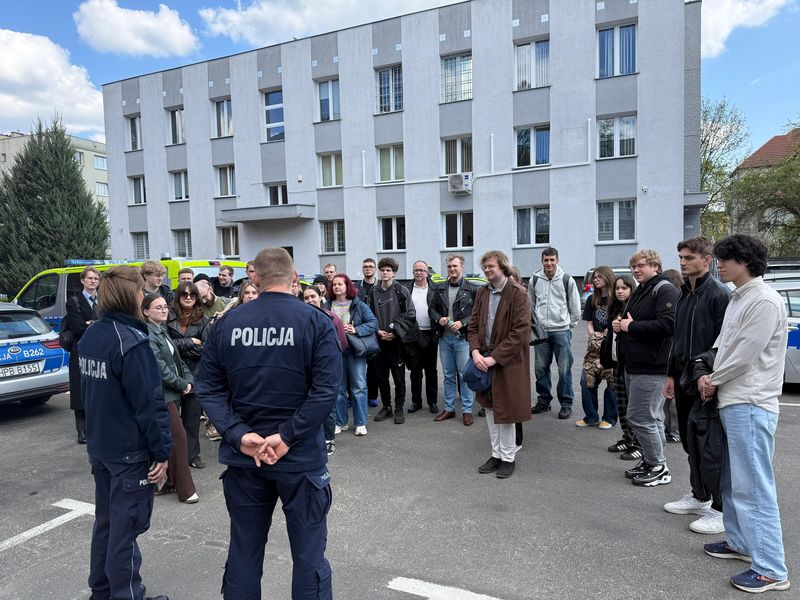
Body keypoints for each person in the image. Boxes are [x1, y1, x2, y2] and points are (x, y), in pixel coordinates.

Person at [195, 247, 341, 599]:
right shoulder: (315, 321)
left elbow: (208, 387)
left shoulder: (228, 323)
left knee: (244, 554)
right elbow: (326, 391)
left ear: (255, 280)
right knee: (308, 560)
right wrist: (287, 437)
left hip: (246, 459)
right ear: (295, 279)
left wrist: (239, 435)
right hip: (300, 459)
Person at [701, 234, 790, 593]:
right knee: (733, 481)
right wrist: (709, 374)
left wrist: (712, 380)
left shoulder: (764, 300)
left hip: (750, 402)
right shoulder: (740, 297)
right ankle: (739, 542)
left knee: (753, 486)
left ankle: (771, 569)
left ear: (746, 261)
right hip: (734, 399)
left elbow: (744, 355)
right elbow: (724, 346)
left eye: (725, 259)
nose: (718, 264)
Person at [78, 265, 172, 600]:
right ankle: (126, 595)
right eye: (140, 291)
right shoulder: (131, 342)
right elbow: (150, 404)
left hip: (101, 446)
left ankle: (102, 590)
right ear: (130, 295)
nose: (143, 296)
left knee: (106, 523)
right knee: (124, 529)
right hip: (128, 451)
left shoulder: (92, 336)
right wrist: (162, 453)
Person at [662, 237, 730, 535]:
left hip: (705, 382)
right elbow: (676, 340)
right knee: (690, 442)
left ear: (707, 259)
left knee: (709, 447)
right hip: (683, 379)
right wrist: (670, 375)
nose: (682, 262)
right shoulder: (684, 294)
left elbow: (724, 344)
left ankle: (720, 508)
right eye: (680, 257)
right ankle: (699, 496)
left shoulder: (719, 295)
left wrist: (710, 376)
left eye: (689, 257)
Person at [612, 249, 679, 487]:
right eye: (634, 267)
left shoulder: (665, 289)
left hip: (651, 367)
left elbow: (668, 325)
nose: (636, 270)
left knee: (640, 417)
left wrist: (630, 327)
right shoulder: (643, 290)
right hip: (635, 364)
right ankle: (652, 462)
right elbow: (634, 321)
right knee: (652, 418)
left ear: (655, 266)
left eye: (640, 266)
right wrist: (622, 325)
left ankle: (658, 467)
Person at [468, 250, 531, 479]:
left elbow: (520, 332)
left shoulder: (517, 293)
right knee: (489, 408)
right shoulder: (482, 292)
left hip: (508, 362)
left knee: (506, 412)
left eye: (491, 266)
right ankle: (496, 455)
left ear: (502, 267)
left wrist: (493, 358)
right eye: (484, 267)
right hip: (483, 359)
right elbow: (473, 325)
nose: (487, 270)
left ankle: (508, 458)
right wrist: (475, 352)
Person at [142, 293, 198, 504]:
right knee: (179, 438)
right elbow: (160, 367)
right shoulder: (148, 333)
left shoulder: (162, 330)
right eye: (158, 307)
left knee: (171, 438)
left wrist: (188, 379)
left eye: (165, 306)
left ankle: (168, 482)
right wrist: (181, 384)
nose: (164, 310)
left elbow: (177, 360)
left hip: (172, 393)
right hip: (162, 394)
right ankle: (186, 490)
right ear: (146, 311)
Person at [529, 247, 581, 419]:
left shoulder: (567, 280)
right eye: (546, 260)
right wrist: (536, 326)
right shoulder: (535, 279)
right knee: (540, 369)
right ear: (542, 261)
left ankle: (566, 403)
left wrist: (568, 326)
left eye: (552, 260)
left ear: (557, 260)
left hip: (561, 331)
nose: (549, 263)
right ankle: (544, 401)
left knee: (564, 369)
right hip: (541, 333)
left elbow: (575, 308)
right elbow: (531, 305)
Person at [166, 281, 214, 460]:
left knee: (192, 420)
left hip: (195, 374)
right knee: (171, 421)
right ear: (178, 296)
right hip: (172, 374)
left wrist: (178, 347)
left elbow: (206, 348)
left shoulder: (204, 319)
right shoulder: (167, 316)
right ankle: (173, 459)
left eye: (192, 295)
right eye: (184, 294)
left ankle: (192, 455)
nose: (188, 297)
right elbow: (164, 345)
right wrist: (191, 342)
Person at [328, 273, 379, 436]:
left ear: (347, 286)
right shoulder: (327, 304)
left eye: (340, 284)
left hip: (355, 350)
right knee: (338, 388)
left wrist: (356, 329)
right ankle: (340, 422)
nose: (336, 287)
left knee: (359, 386)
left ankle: (361, 423)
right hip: (335, 352)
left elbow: (373, 323)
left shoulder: (358, 304)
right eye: (334, 284)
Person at [431, 253, 478, 425]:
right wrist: (439, 319)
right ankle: (449, 409)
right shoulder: (439, 288)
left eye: (455, 266)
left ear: (462, 267)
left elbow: (478, 313)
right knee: (448, 375)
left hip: (462, 340)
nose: (452, 269)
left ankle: (467, 410)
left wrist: (462, 322)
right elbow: (431, 309)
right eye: (449, 266)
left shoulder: (472, 289)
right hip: (444, 339)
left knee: (464, 375)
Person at [367, 257, 415, 424]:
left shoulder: (401, 290)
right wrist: (377, 331)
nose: (385, 273)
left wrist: (395, 332)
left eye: (388, 270)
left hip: (396, 342)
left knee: (399, 378)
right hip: (379, 341)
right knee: (381, 377)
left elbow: (410, 314)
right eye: (382, 270)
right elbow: (369, 315)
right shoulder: (373, 291)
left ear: (394, 273)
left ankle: (399, 408)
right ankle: (386, 407)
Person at [303, 285, 348, 456]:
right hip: (307, 368)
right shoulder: (301, 319)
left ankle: (329, 439)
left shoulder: (331, 317)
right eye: (306, 298)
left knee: (327, 405)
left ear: (320, 297)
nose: (310, 300)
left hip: (327, 369)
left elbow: (342, 343)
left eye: (312, 296)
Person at [602, 275, 641, 460]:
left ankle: (638, 444)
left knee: (634, 408)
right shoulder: (615, 309)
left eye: (624, 288)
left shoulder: (635, 309)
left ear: (631, 289)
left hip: (631, 364)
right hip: (617, 363)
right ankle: (627, 438)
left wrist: (625, 327)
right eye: (617, 288)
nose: (619, 291)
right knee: (622, 405)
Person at [576, 266, 617, 429]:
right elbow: (590, 322)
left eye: (599, 276)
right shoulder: (592, 299)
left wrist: (609, 335)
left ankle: (609, 418)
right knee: (586, 380)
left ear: (608, 277)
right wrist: (594, 336)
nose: (595, 279)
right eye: (594, 277)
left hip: (611, 346)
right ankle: (591, 417)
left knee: (612, 382)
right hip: (594, 347)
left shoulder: (616, 299)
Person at [66, 266, 99, 444]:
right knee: (79, 389)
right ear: (82, 281)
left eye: (96, 278)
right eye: (90, 278)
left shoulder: (104, 300)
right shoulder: (74, 301)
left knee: (98, 388)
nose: (93, 281)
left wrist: (90, 323)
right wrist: (96, 324)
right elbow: (78, 328)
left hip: (100, 349)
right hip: (80, 350)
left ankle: (97, 426)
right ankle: (82, 429)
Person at [405, 260, 440, 416]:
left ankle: (432, 402)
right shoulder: (406, 289)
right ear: (413, 272)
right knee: (415, 370)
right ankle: (416, 401)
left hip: (431, 333)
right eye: (416, 270)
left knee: (431, 370)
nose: (419, 272)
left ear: (427, 272)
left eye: (422, 270)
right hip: (414, 335)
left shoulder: (435, 288)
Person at [355, 258, 379, 407]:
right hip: (358, 332)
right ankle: (354, 396)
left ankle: (372, 395)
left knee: (374, 366)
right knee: (356, 366)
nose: (368, 268)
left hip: (376, 331)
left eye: (370, 266)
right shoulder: (356, 288)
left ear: (375, 269)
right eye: (365, 266)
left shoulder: (380, 286)